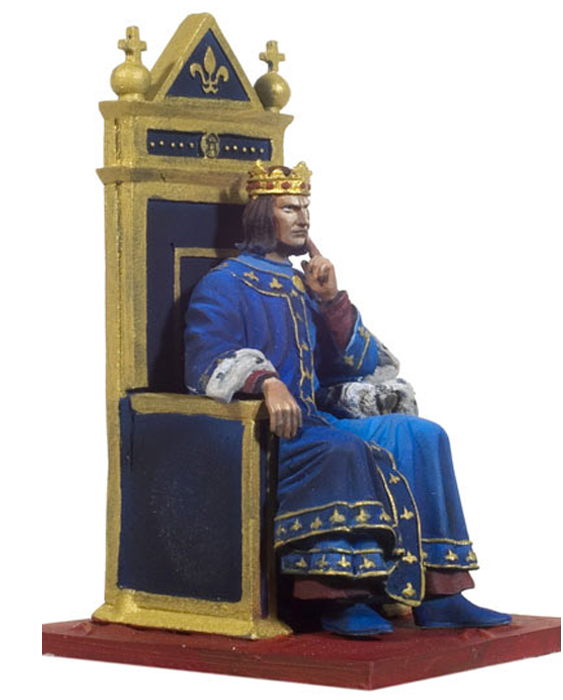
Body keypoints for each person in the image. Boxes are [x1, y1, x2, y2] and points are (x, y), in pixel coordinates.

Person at [184, 162, 511, 636]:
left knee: (423, 435)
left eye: (306, 208)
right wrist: (266, 382)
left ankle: (442, 593)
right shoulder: (225, 284)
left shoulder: (304, 286)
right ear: (261, 216)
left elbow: (357, 364)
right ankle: (339, 595)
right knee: (341, 449)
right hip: (265, 433)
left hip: (318, 418)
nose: (303, 218)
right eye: (289, 208)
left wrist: (332, 302)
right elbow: (205, 358)